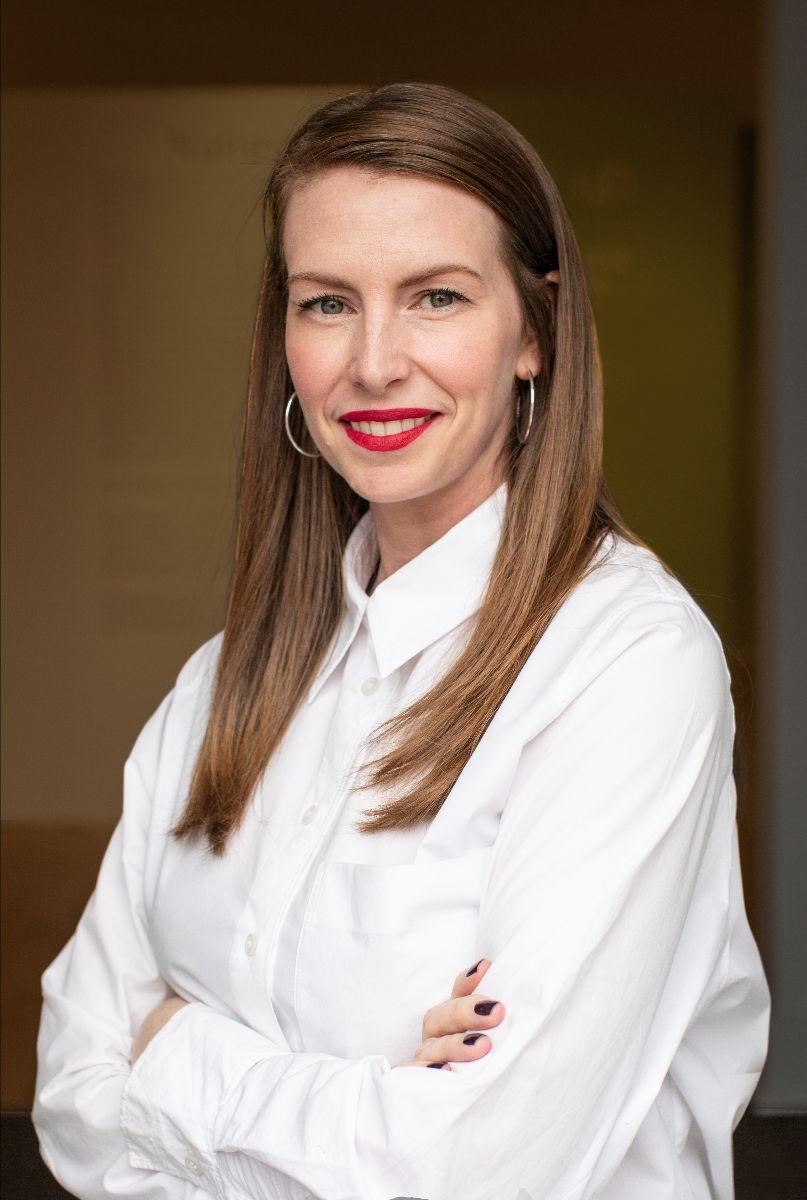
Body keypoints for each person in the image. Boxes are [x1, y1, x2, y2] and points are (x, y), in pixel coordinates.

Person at [32, 81, 770, 1200]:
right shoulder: (228, 679)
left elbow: (484, 1169)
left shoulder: (628, 665)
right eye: (328, 303)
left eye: (436, 297)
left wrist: (175, 1051)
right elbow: (67, 1091)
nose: (374, 363)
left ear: (536, 332)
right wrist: (372, 1088)